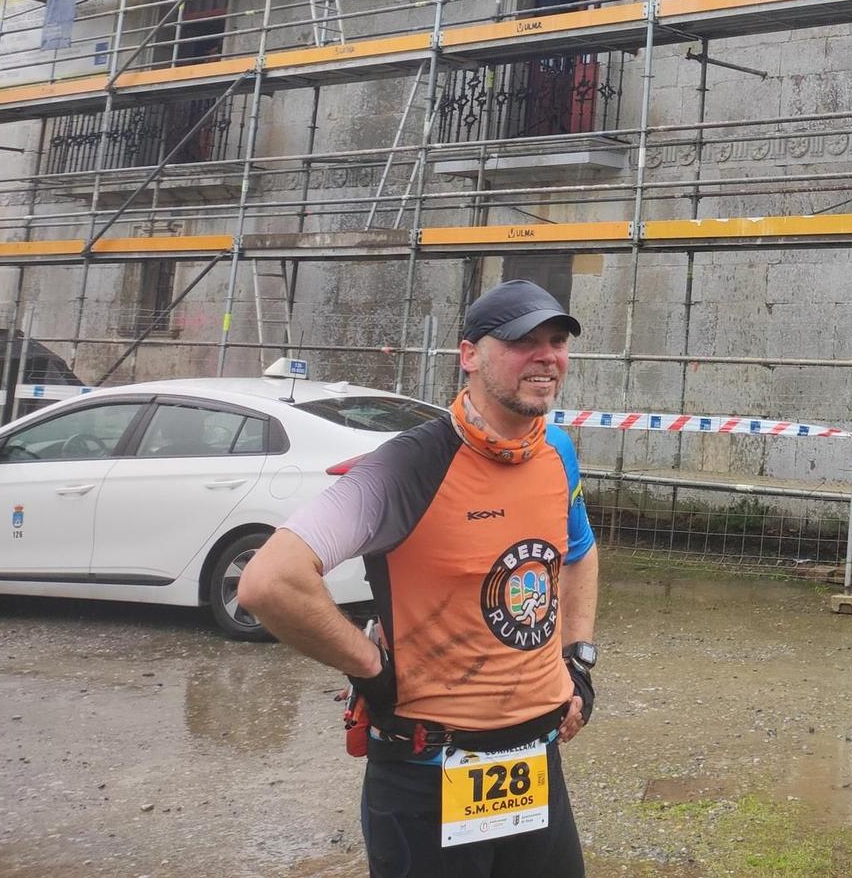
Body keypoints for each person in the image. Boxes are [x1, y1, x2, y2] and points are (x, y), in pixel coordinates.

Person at [238, 280, 600, 877]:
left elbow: (580, 553)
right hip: (426, 768)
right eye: (522, 341)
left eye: (556, 341)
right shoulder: (410, 463)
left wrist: (578, 657)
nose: (546, 356)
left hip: (535, 762)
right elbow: (269, 581)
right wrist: (371, 669)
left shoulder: (556, 451)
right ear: (469, 355)